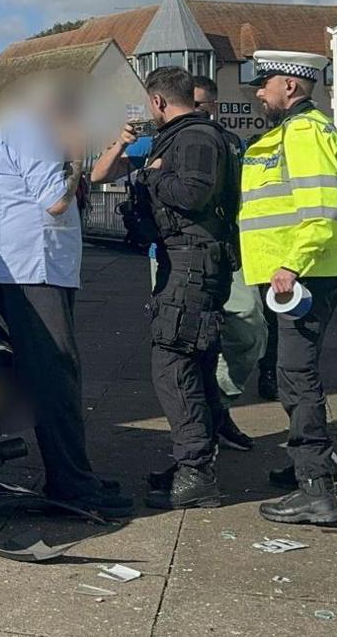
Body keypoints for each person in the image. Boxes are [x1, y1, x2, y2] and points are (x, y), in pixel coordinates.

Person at [0, 80, 132, 516]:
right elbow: (55, 201)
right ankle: (72, 485)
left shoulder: (22, 128)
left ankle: (73, 477)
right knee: (54, 377)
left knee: (54, 374)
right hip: (30, 269)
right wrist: (77, 153)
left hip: (33, 268)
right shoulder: (30, 129)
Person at [90, 68, 240, 509]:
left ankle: (195, 470)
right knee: (193, 361)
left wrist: (151, 177)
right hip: (190, 260)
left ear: (157, 101)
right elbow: (104, 174)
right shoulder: (190, 134)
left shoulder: (194, 138)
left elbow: (192, 194)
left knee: (173, 364)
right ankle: (194, 462)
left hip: (192, 262)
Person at [238, 51, 337, 525]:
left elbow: (323, 205)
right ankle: (308, 468)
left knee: (296, 375)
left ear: (289, 86)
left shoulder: (304, 131)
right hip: (304, 268)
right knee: (296, 371)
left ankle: (316, 489)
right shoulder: (295, 131)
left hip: (305, 271)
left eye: (264, 84)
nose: (258, 92)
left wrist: (292, 263)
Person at [192, 76, 269, 419]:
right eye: (189, 104)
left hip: (230, 248)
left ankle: (221, 399)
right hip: (177, 254)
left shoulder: (232, 143)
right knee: (186, 342)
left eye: (201, 105)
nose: (195, 112)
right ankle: (201, 423)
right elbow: (104, 173)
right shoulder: (158, 142)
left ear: (214, 106)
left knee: (250, 323)